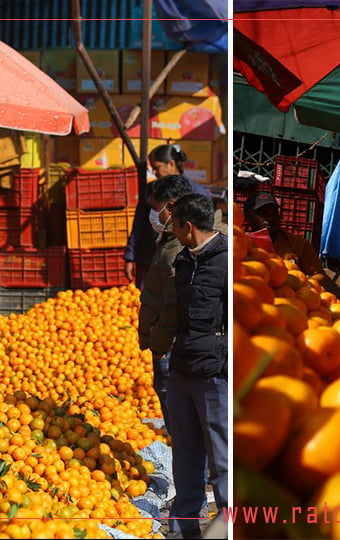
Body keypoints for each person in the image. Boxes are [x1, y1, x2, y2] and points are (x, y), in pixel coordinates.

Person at [166, 193, 228, 539]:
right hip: (182, 367)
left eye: (174, 225)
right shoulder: (184, 261)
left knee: (222, 460)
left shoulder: (225, 263)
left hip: (214, 375)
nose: (172, 231)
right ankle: (183, 528)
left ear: (188, 227)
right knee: (186, 455)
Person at [137, 174, 224, 419]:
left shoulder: (181, 244)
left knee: (180, 415)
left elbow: (173, 302)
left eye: (157, 210)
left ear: (172, 207)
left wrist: (159, 344)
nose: (155, 216)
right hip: (170, 342)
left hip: (173, 345)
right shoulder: (170, 238)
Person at [125, 144, 211, 287]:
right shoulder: (151, 190)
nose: (154, 172)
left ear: (171, 164)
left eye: (156, 167)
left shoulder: (197, 193)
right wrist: (130, 256)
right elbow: (139, 223)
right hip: (149, 259)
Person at [242, 192, 327, 282]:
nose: (270, 218)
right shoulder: (242, 245)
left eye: (274, 213)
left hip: (289, 294)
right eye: (263, 213)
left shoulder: (298, 244)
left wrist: (302, 285)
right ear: (247, 218)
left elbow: (319, 275)